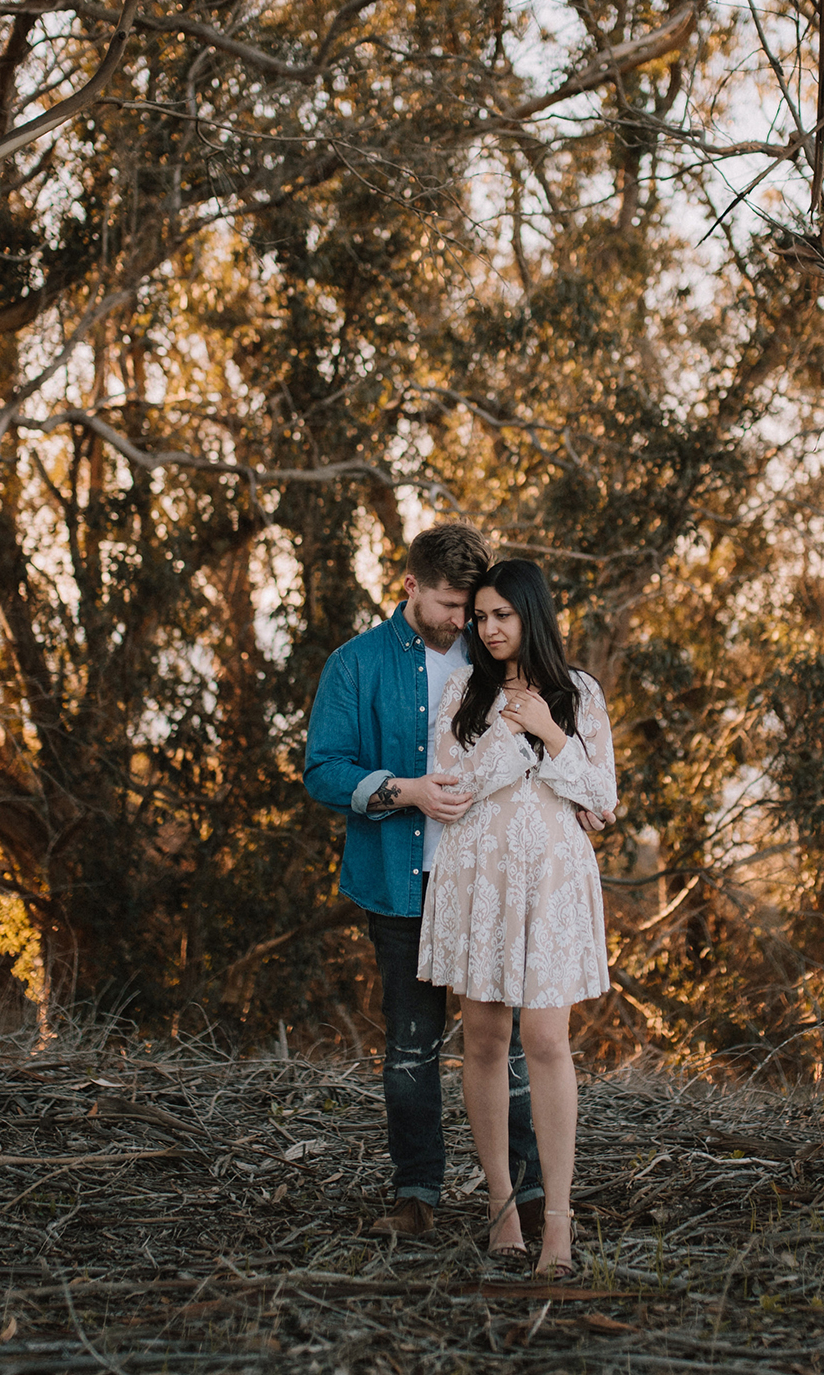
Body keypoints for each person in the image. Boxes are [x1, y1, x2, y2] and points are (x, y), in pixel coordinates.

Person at [302, 525, 546, 1240]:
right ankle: (417, 1196)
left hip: (489, 884)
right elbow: (323, 768)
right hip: (401, 885)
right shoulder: (355, 665)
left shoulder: (499, 656)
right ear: (409, 586)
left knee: (510, 1050)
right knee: (412, 1047)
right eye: (448, 603)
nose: (462, 618)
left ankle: (526, 1198)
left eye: (471, 605)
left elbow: (544, 741)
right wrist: (403, 790)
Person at [418, 558, 616, 1279]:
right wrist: (510, 739)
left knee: (545, 1035)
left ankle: (557, 1224)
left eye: (504, 614)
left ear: (532, 613)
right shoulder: (463, 693)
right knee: (484, 1036)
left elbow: (601, 802)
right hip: (481, 876)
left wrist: (550, 734)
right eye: (481, 616)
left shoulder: (578, 692)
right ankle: (502, 1209)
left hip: (553, 878)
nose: (490, 627)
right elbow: (451, 789)